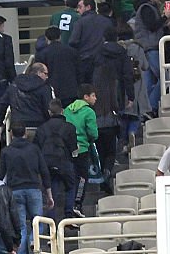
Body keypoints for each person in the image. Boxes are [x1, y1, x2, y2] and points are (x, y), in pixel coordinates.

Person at [0, 121, 54, 254]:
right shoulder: (34, 149)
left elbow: (0, 175)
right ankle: (33, 240)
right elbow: (44, 171)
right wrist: (49, 194)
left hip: (15, 191)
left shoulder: (6, 151)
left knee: (21, 227)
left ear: (11, 135)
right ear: (25, 134)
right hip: (34, 189)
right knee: (38, 222)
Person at [92, 27, 136, 194]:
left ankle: (101, 174)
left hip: (98, 108)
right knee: (111, 149)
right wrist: (130, 96)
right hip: (114, 102)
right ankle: (108, 172)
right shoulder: (122, 53)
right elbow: (127, 76)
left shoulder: (96, 54)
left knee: (100, 150)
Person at [35, 100, 80, 221]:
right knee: (71, 185)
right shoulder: (70, 127)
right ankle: (68, 213)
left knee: (51, 188)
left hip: (47, 162)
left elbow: (37, 148)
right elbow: (74, 149)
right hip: (64, 161)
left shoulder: (41, 129)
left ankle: (51, 219)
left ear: (49, 112)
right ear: (62, 111)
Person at [134, 0, 170, 115]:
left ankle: (145, 109)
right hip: (151, 48)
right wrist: (165, 17)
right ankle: (150, 107)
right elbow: (152, 26)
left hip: (147, 48)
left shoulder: (145, 9)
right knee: (165, 78)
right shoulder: (146, 8)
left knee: (149, 83)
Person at [64, 85, 99, 217]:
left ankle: (69, 205)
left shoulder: (67, 110)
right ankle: (77, 204)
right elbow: (93, 133)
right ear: (86, 97)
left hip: (68, 149)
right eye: (93, 95)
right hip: (83, 149)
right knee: (82, 178)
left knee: (70, 178)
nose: (95, 98)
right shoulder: (89, 112)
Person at [68, 0, 115, 84]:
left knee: (86, 88)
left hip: (85, 60)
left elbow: (73, 41)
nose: (78, 10)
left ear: (88, 7)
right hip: (103, 60)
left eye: (80, 7)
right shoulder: (107, 21)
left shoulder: (80, 22)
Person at [34, 26, 81, 109]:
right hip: (71, 90)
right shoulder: (72, 51)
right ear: (60, 37)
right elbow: (79, 71)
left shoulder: (41, 54)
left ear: (46, 38)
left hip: (51, 91)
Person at [0, 63, 53, 130]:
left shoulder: (14, 85)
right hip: (38, 125)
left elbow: (2, 104)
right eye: (45, 74)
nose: (47, 77)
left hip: (17, 126)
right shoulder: (44, 88)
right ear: (39, 73)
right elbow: (48, 108)